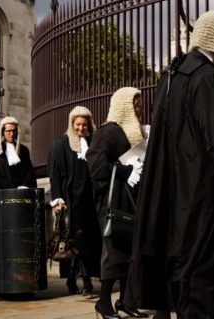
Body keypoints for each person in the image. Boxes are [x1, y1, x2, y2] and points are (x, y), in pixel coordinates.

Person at [126, 12, 214, 318]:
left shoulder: (173, 74)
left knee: (185, 258)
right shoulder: (206, 76)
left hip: (176, 184)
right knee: (208, 264)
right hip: (205, 187)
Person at [87, 87, 148, 319]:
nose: (140, 109)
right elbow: (96, 166)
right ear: (123, 106)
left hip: (131, 201)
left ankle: (125, 301)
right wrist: (125, 170)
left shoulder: (134, 132)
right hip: (113, 202)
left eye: (140, 105)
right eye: (136, 105)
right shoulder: (106, 132)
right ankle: (103, 302)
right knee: (113, 253)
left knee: (130, 253)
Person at [48, 106, 102, 296]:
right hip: (72, 203)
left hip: (91, 202)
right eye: (78, 124)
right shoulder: (61, 144)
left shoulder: (93, 142)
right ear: (72, 124)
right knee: (79, 244)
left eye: (84, 125)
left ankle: (73, 279)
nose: (81, 128)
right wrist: (57, 199)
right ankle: (86, 281)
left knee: (87, 243)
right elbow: (54, 174)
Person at [0, 117, 36, 189]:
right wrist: (12, 188)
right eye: (8, 131)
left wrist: (24, 186)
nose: (11, 134)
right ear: (3, 132)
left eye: (14, 131)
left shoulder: (24, 150)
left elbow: (29, 172)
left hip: (23, 191)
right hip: (4, 193)